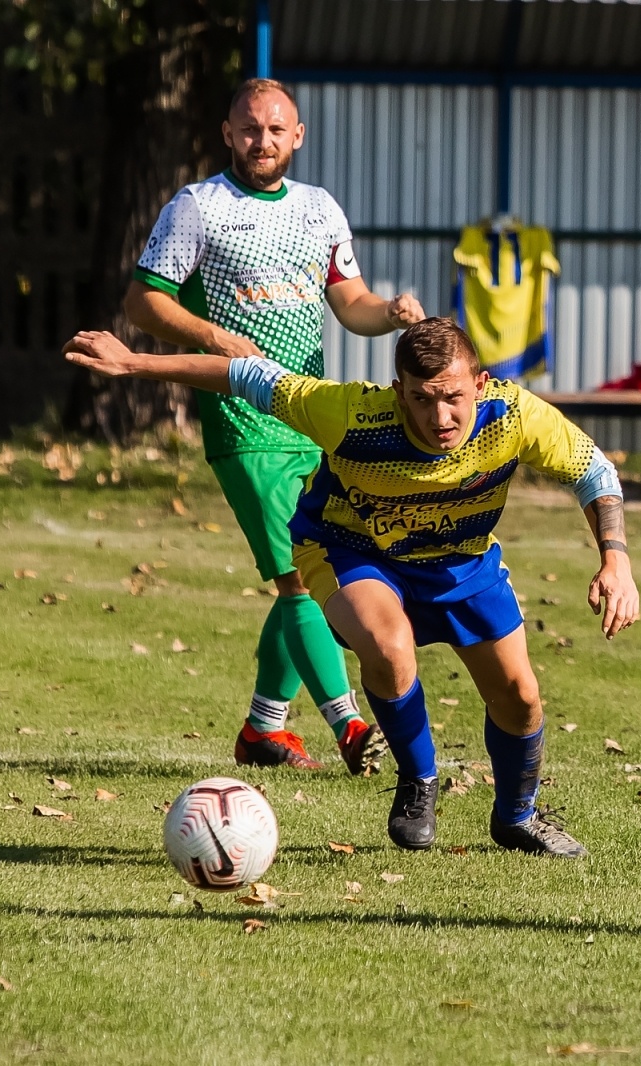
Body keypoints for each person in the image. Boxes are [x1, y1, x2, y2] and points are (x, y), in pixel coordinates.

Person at [64, 318, 641, 858]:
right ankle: (418, 780)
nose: (440, 416)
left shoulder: (514, 415)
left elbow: (594, 472)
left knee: (520, 697)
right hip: (351, 550)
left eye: (453, 397)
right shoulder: (349, 413)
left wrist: (615, 561)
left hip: (460, 561)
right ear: (398, 391)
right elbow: (244, 375)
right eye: (422, 397)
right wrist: (135, 363)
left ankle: (517, 816)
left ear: (481, 384)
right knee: (389, 647)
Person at [123, 78, 425, 774]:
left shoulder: (319, 211)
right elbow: (142, 303)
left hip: (310, 416)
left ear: (299, 136)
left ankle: (264, 730)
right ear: (227, 134)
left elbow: (350, 302)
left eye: (276, 130)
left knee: (316, 567)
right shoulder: (198, 208)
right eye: (250, 129)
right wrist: (216, 338)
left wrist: (392, 314)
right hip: (243, 419)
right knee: (300, 579)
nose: (263, 141)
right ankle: (350, 725)